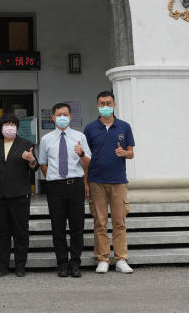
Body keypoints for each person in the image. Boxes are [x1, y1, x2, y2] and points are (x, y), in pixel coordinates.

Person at [84, 90, 136, 274]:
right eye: (101, 103)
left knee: (119, 221)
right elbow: (85, 158)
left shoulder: (124, 127)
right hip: (96, 180)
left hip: (118, 181)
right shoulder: (90, 129)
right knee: (99, 221)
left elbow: (131, 152)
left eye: (108, 103)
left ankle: (121, 258)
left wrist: (124, 153)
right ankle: (103, 258)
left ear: (114, 105)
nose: (105, 106)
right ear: (97, 106)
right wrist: (86, 183)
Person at [38, 102, 91, 278]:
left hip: (75, 185)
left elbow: (87, 164)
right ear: (52, 117)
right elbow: (43, 164)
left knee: (77, 227)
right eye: (59, 114)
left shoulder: (79, 137)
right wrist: (55, 179)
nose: (62, 117)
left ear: (70, 117)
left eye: (65, 114)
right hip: (55, 187)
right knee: (58, 227)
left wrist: (82, 154)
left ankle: (75, 263)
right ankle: (62, 263)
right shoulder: (46, 139)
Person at [0, 113, 37, 277]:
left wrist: (31, 160)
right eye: (5, 124)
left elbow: (35, 167)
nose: (9, 127)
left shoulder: (26, 144)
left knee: (21, 231)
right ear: (1, 129)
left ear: (17, 127)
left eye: (12, 124)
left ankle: (20, 265)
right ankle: (3, 265)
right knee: (2, 232)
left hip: (20, 194)